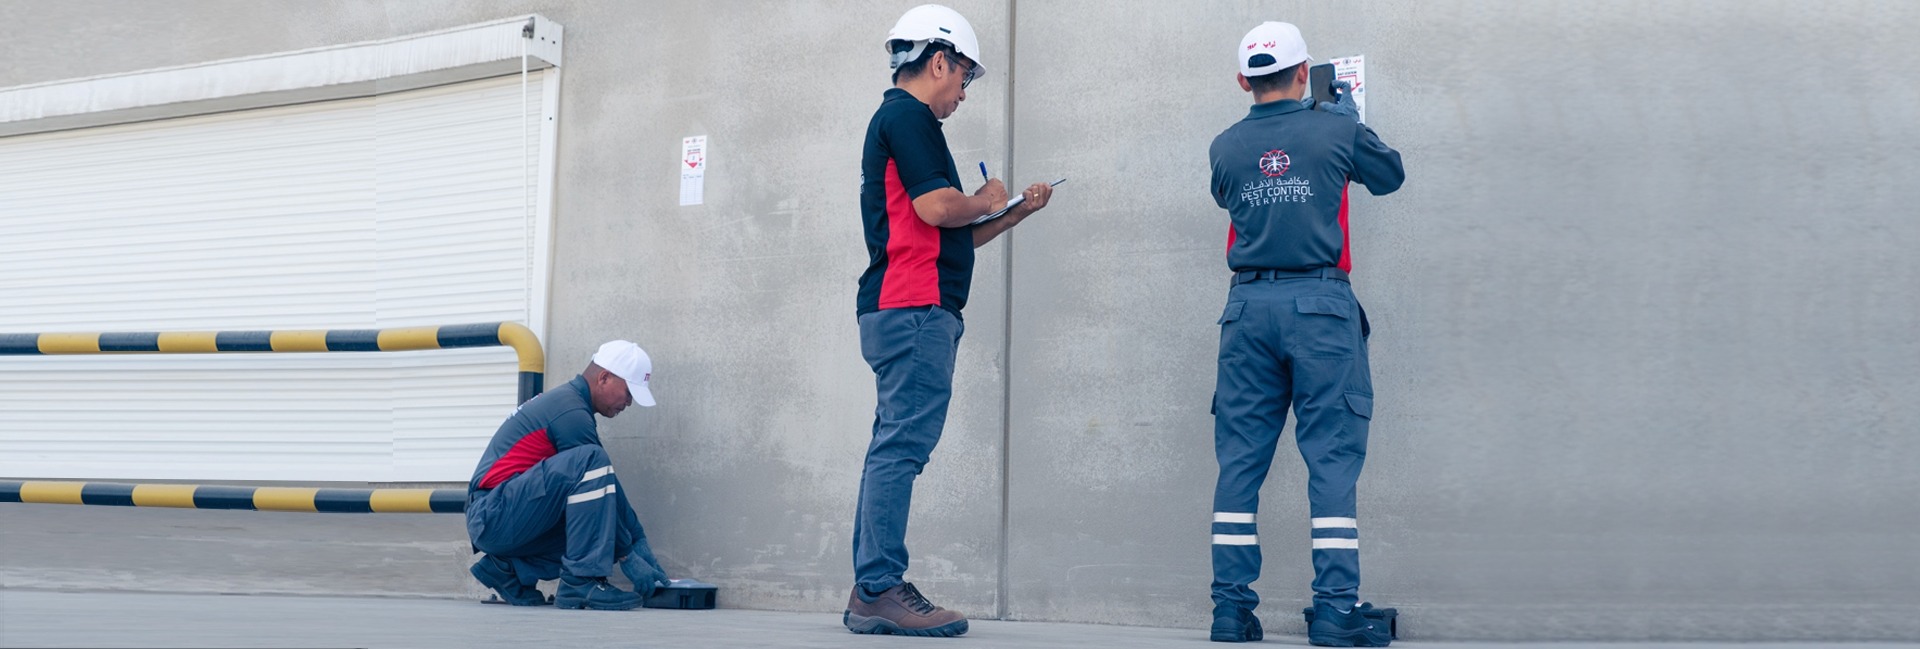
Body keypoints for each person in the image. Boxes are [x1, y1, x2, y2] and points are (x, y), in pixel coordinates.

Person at [843, 3, 1053, 638]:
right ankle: (879, 587)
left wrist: (1012, 212)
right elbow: (940, 209)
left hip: (905, 305)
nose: (963, 92)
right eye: (964, 77)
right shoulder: (907, 117)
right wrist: (986, 197)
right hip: (913, 311)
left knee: (891, 447)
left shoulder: (899, 120)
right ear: (939, 61)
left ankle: (869, 589)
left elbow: (948, 234)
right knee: (901, 449)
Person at [1205, 21, 1405, 646]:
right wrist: (1344, 117)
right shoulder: (1338, 128)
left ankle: (1230, 611)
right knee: (1332, 460)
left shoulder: (1224, 146)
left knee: (1240, 461)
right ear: (1305, 73)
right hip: (1319, 309)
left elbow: (1228, 196)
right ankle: (1335, 610)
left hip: (1247, 311)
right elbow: (1390, 174)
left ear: (1243, 80)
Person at [464, 340, 671, 611]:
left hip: (503, 514)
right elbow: (598, 471)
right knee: (592, 460)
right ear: (604, 378)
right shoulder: (570, 412)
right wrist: (627, 553)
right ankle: (581, 583)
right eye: (629, 392)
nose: (629, 402)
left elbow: (607, 488)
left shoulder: (572, 405)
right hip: (492, 513)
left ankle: (507, 569)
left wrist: (637, 538)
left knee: (597, 523)